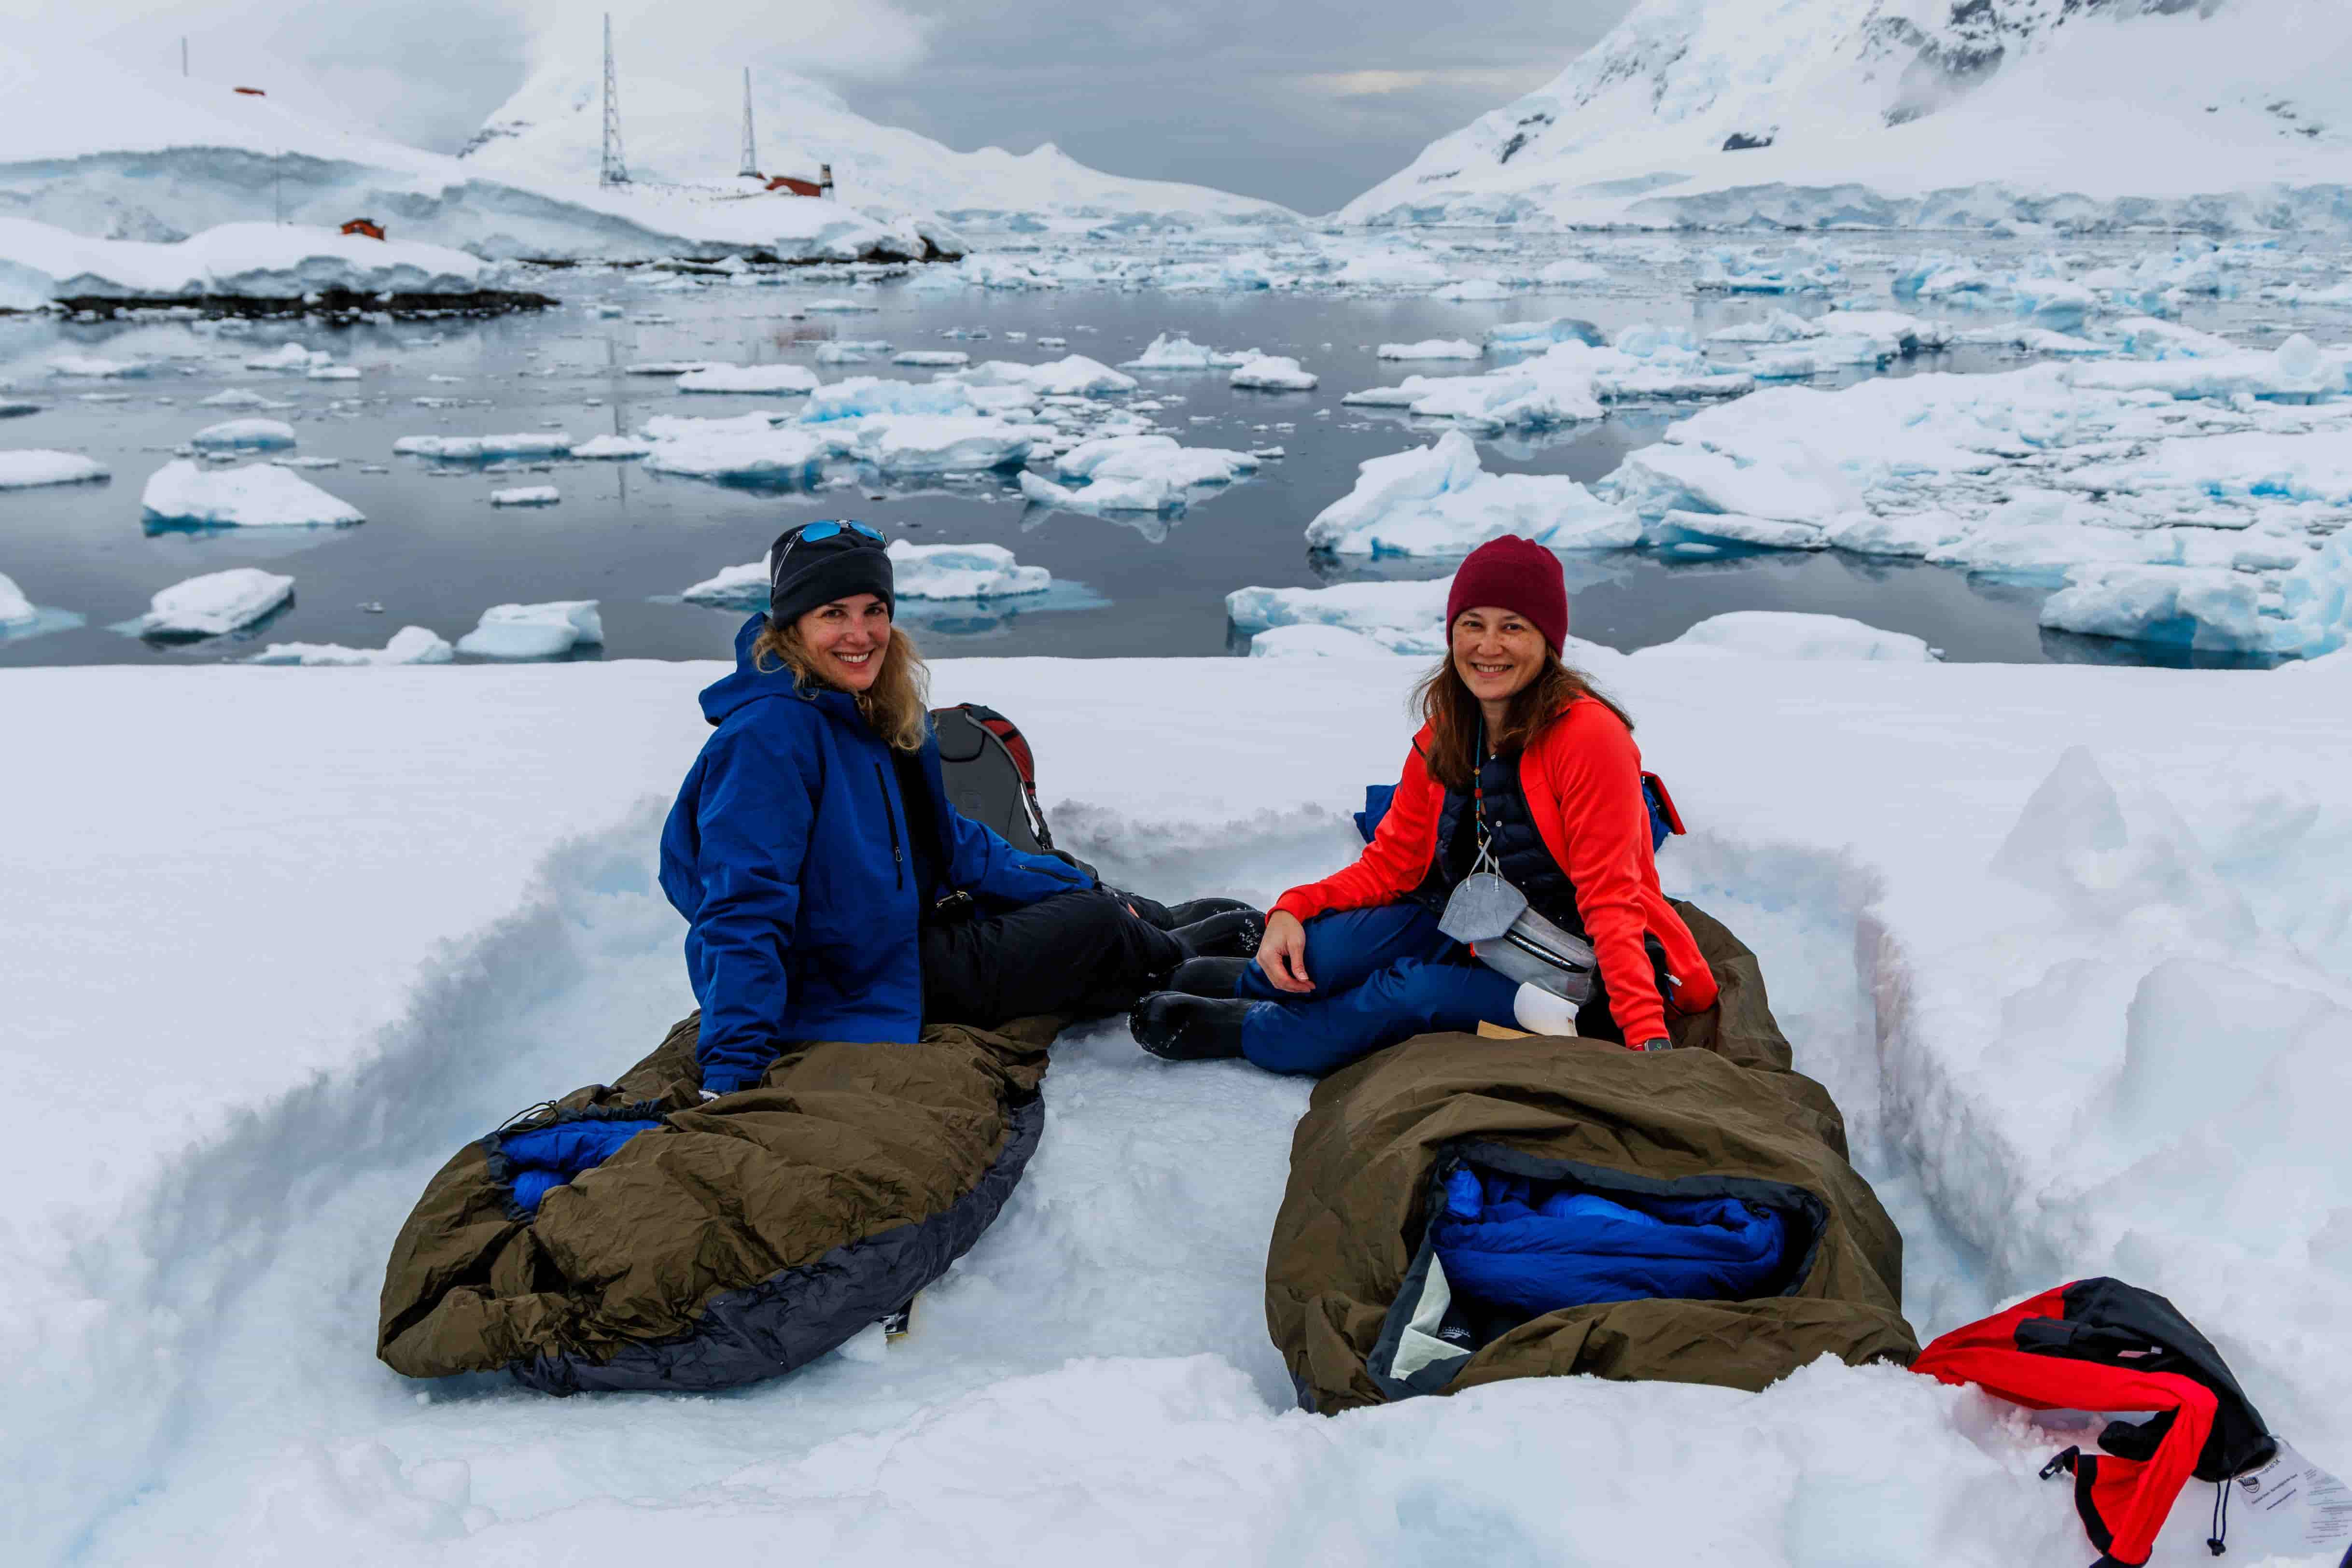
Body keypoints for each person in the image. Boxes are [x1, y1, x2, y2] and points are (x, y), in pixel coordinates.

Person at [662, 519, 1261, 1096]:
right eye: (833, 613)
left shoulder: (863, 706)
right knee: (1090, 928)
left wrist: (1079, 880)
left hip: (891, 930)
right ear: (793, 625)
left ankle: (1145, 919)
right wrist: (733, 1066)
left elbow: (946, 840)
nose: (861, 633)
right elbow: (742, 908)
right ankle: (1170, 957)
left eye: (874, 610)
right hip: (848, 980)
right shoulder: (767, 737)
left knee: (1060, 884)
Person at [1128, 533, 1719, 1075]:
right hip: (1476, 925)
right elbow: (1391, 864)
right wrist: (1293, 908)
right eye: (1473, 624)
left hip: (1573, 972)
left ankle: (1261, 1032)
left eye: (1513, 627)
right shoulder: (1449, 732)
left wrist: (1644, 1035)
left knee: (1406, 990)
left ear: (1548, 642)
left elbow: (1611, 897)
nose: (1488, 646)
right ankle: (1263, 982)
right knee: (1328, 952)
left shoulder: (1589, 736)